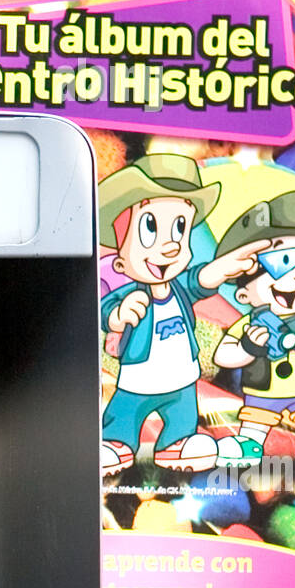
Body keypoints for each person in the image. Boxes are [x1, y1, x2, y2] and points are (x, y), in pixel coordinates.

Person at [100, 154, 269, 474]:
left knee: (182, 414)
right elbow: (108, 309)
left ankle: (176, 443)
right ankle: (118, 441)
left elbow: (200, 281)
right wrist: (118, 315)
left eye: (179, 228)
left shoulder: (179, 288)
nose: (170, 245)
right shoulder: (131, 293)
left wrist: (223, 267)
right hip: (139, 379)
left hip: (182, 379)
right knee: (126, 411)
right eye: (150, 228)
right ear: (119, 261)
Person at [211, 191, 295, 461]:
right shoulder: (248, 324)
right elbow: (223, 355)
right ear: (243, 295)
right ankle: (249, 443)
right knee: (256, 421)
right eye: (282, 263)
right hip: (262, 393)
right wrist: (247, 347)